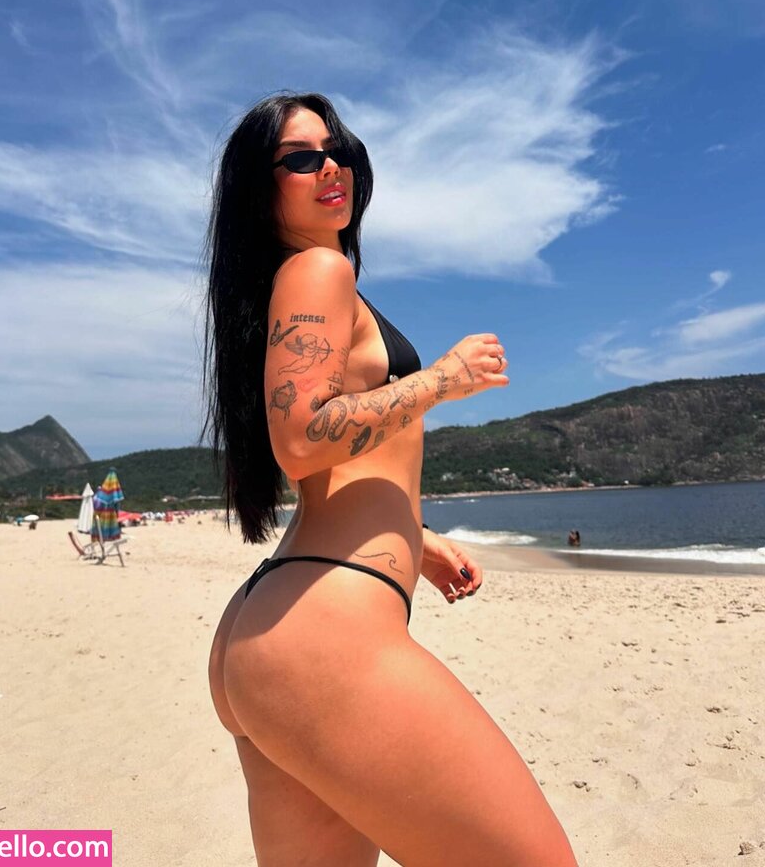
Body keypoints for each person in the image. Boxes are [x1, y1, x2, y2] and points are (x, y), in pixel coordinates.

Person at [205, 93, 577, 866]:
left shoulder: (288, 283)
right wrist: (442, 379)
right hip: (323, 636)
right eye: (301, 158)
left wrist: (416, 536)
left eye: (337, 149)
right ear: (260, 188)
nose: (330, 166)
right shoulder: (318, 269)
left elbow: (333, 464)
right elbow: (301, 438)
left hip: (276, 625)